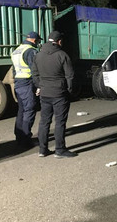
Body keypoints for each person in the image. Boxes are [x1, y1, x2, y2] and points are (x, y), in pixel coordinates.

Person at [32, 30, 76, 158]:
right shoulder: (62, 55)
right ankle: (60, 150)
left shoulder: (38, 55)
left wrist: (40, 86)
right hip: (59, 93)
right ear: (59, 41)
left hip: (45, 93)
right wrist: (69, 91)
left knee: (44, 122)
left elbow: (34, 74)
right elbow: (70, 76)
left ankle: (42, 149)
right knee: (60, 122)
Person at [11, 31, 42, 148]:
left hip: (18, 82)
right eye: (38, 41)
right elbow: (35, 71)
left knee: (21, 110)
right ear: (34, 40)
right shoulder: (31, 51)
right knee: (29, 110)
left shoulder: (17, 51)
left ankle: (19, 136)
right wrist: (38, 85)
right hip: (27, 83)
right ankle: (25, 139)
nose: (38, 43)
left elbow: (14, 70)